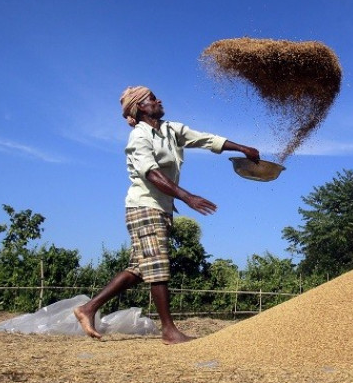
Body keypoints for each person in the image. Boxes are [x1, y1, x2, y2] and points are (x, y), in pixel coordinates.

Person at [74, 85, 260, 343]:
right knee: (158, 265)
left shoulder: (171, 130)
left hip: (161, 208)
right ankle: (169, 330)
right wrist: (188, 197)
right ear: (140, 107)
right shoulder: (139, 137)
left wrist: (242, 148)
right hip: (144, 206)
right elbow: (151, 173)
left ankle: (88, 308)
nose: (158, 100)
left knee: (140, 268)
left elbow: (205, 139)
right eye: (152, 98)